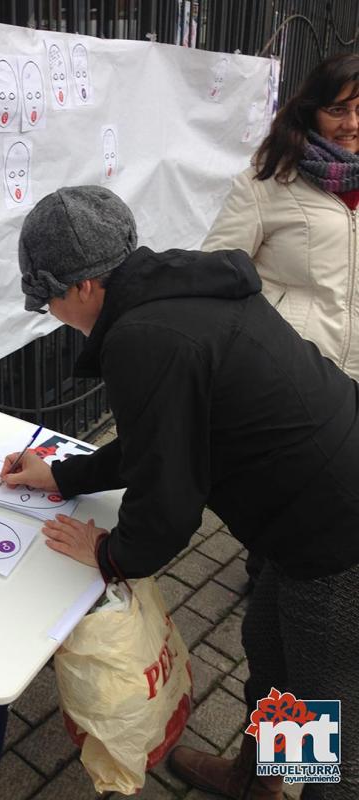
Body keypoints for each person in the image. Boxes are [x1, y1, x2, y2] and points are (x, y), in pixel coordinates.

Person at [1, 185, 359, 799]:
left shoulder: (144, 339)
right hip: (310, 509)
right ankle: (258, 781)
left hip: (336, 530)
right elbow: (162, 443)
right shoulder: (174, 293)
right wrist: (61, 475)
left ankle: (313, 785)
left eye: (49, 299)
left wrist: (110, 555)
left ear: (83, 287)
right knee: (268, 646)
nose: (53, 314)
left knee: (324, 701)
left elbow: (167, 502)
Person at [203, 53, 359, 588]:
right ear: (312, 111)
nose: (353, 124)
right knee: (284, 490)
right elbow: (219, 271)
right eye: (339, 109)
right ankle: (265, 571)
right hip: (294, 372)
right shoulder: (270, 180)